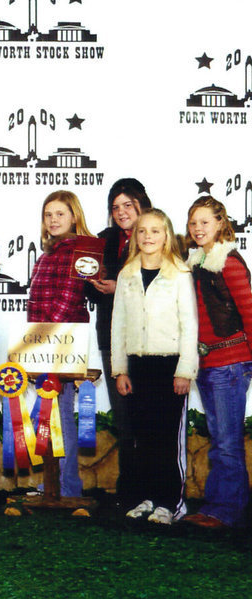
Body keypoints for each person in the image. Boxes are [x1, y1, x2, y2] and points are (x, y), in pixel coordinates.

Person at [111, 209, 197, 525]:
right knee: (141, 436)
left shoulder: (180, 274)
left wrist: (184, 370)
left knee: (165, 437)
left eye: (156, 231)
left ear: (167, 235)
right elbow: (117, 324)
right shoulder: (126, 275)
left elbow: (190, 326)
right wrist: (120, 369)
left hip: (169, 366)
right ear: (135, 236)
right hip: (137, 365)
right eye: (143, 231)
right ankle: (147, 498)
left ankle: (170, 502)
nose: (148, 237)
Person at [181, 197, 252, 528]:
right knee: (220, 439)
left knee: (227, 442)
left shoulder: (229, 262)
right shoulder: (196, 262)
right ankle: (215, 506)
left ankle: (227, 511)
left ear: (221, 223)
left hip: (230, 362)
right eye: (193, 223)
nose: (198, 229)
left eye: (205, 222)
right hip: (208, 363)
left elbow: (249, 313)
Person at [89, 179, 152, 507]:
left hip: (148, 339)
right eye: (116, 206)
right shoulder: (103, 240)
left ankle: (156, 492)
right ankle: (130, 493)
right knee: (126, 419)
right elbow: (88, 287)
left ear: (142, 204)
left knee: (149, 418)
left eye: (128, 204)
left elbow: (163, 284)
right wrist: (92, 282)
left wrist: (121, 288)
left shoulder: (156, 235)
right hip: (111, 336)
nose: (121, 212)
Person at [27, 190, 94, 498]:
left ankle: (66, 485)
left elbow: (68, 300)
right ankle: (58, 481)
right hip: (45, 342)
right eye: (48, 214)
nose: (53, 220)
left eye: (60, 214)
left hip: (63, 343)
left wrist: (43, 343)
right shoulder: (47, 254)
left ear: (74, 217)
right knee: (51, 410)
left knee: (61, 412)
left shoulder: (80, 252)